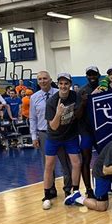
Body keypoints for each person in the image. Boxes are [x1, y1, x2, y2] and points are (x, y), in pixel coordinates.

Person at [41, 73, 82, 210]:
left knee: (76, 163)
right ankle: (47, 196)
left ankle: (75, 191)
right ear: (58, 85)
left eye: (66, 83)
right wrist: (58, 113)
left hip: (70, 136)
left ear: (70, 84)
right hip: (54, 137)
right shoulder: (52, 102)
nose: (63, 86)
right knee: (49, 165)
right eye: (61, 84)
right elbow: (52, 126)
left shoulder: (74, 96)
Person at [30, 71, 72, 201]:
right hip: (44, 133)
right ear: (37, 82)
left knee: (65, 163)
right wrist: (33, 136)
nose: (43, 81)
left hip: (61, 133)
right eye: (40, 79)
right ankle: (51, 190)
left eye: (45, 78)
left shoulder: (60, 93)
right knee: (48, 164)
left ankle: (68, 190)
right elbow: (32, 118)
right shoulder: (34, 97)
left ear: (50, 79)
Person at [76, 66, 101, 198]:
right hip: (86, 131)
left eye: (94, 74)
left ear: (98, 75)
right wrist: (84, 102)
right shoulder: (81, 91)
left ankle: (106, 186)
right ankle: (88, 189)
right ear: (86, 76)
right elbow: (77, 115)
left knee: (105, 158)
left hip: (101, 131)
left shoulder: (104, 89)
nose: (92, 77)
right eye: (89, 74)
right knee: (86, 160)